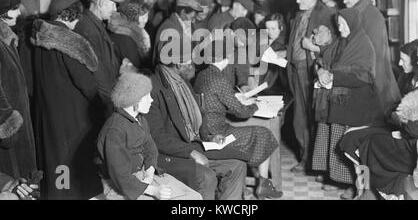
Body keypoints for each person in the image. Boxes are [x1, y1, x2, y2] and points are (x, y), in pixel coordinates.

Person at [145, 52, 247, 200]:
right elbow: (157, 137)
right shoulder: (153, 88)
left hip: (191, 145)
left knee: (236, 165)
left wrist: (209, 136)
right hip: (167, 155)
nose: (194, 65)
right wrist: (191, 152)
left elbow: (197, 115)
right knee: (206, 177)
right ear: (179, 64)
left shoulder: (182, 81)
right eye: (191, 62)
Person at [31, 0, 102, 199]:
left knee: (56, 161)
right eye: (78, 16)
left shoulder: (38, 38)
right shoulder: (69, 42)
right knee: (72, 162)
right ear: (71, 15)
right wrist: (101, 106)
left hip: (48, 114)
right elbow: (86, 84)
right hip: (72, 117)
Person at [339, 38, 418, 200]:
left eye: (404, 59)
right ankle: (362, 188)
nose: (400, 63)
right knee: (352, 137)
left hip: (411, 138)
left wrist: (398, 120)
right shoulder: (407, 78)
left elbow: (414, 125)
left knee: (365, 143)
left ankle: (368, 190)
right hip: (402, 130)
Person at [194, 38, 282, 199]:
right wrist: (255, 104)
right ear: (226, 58)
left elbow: (214, 99)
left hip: (205, 130)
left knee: (256, 133)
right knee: (264, 133)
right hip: (218, 133)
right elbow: (241, 112)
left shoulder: (201, 75)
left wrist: (233, 98)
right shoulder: (220, 79)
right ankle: (262, 184)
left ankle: (258, 183)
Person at [312, 8, 384, 200]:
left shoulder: (363, 45)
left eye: (343, 24)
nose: (339, 27)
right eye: (338, 23)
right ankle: (342, 182)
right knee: (338, 142)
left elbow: (363, 76)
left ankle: (355, 186)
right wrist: (321, 71)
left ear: (352, 24)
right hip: (342, 101)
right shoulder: (343, 41)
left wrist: (334, 77)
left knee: (350, 147)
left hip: (358, 105)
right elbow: (324, 61)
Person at [96, 71, 201, 200]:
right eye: (147, 96)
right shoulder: (115, 130)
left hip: (142, 176)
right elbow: (120, 177)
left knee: (194, 197)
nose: (151, 100)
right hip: (118, 186)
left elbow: (151, 149)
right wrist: (153, 191)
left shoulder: (140, 119)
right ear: (134, 100)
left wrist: (149, 174)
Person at [286, 0, 336, 173]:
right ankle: (306, 157)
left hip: (315, 71)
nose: (297, 0)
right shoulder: (298, 15)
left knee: (316, 118)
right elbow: (293, 41)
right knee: (299, 117)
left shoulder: (328, 14)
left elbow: (335, 49)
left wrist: (312, 46)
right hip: (296, 69)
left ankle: (319, 164)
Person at [338, 0, 401, 115]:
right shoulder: (359, 13)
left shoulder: (371, 16)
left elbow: (372, 57)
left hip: (373, 85)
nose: (344, 1)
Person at [0, 0, 37, 182]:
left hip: (19, 121)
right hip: (8, 130)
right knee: (14, 181)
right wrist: (8, 125)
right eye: (14, 8)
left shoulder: (7, 39)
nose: (19, 12)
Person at [74, 0, 124, 117]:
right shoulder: (87, 28)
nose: (115, 10)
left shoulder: (96, 24)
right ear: (101, 3)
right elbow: (97, 71)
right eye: (113, 5)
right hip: (100, 100)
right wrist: (109, 102)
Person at [153, 0, 202, 65]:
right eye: (194, 14)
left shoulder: (186, 24)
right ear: (183, 12)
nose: (195, 18)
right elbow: (168, 59)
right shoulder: (169, 28)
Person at [108, 1, 151, 70]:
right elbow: (134, 64)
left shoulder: (134, 32)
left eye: (146, 16)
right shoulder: (126, 38)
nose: (145, 20)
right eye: (142, 17)